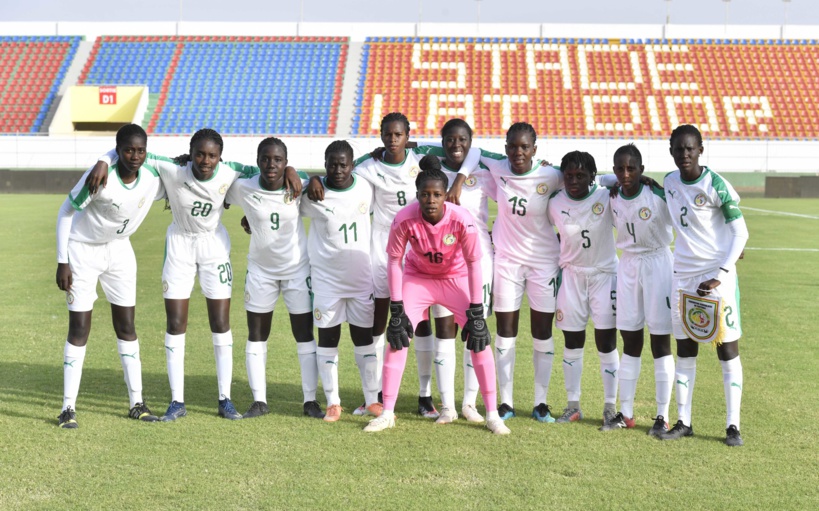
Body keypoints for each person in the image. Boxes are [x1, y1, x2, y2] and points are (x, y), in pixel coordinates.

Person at [86, 129, 302, 422]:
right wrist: (103, 158)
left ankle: (225, 399)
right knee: (175, 323)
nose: (205, 160)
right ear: (190, 153)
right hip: (180, 246)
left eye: (212, 155)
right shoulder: (173, 169)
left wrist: (291, 168)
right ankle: (177, 401)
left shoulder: (230, 172)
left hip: (213, 246)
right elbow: (133, 155)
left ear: (220, 157)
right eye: (200, 153)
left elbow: (268, 172)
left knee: (221, 322)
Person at [307, 112, 480, 420]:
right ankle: (373, 396)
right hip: (381, 254)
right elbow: (342, 168)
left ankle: (425, 396)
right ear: (382, 136)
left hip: (424, 252)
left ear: (406, 135)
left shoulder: (421, 158)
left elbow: (471, 151)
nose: (392, 139)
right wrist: (315, 177)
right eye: (387, 134)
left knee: (424, 324)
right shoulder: (369, 167)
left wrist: (456, 172)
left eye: (398, 134)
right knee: (381, 321)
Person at [362, 155, 510, 435]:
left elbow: (474, 263)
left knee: (479, 338)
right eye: (425, 194)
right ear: (416, 195)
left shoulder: (461, 219)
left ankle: (492, 413)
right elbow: (394, 262)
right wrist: (397, 306)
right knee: (398, 335)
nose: (431, 199)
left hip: (455, 280)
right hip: (418, 279)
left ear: (445, 196)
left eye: (437, 194)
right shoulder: (404, 218)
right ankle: (388, 412)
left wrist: (476, 309)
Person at [450, 122, 563, 423]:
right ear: (506, 148)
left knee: (542, 333)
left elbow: (585, 181)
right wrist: (460, 179)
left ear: (534, 150)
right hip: (507, 262)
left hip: (544, 263)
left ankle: (541, 403)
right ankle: (507, 402)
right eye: (512, 146)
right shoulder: (498, 168)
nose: (518, 152)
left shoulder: (551, 175)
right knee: (505, 333)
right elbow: (471, 150)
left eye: (524, 147)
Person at [55, 124, 164, 428]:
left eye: (140, 150)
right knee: (79, 328)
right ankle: (67, 408)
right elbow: (66, 212)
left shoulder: (152, 173)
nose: (135, 155)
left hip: (119, 251)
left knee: (127, 325)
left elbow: (184, 164)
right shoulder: (99, 176)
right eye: (128, 149)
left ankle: (137, 403)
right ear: (118, 151)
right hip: (83, 250)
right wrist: (62, 261)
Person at [659, 125, 748, 447]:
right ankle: (684, 421)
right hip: (682, 278)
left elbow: (741, 234)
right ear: (671, 151)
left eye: (690, 149)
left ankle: (732, 425)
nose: (684, 154)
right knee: (685, 349)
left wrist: (721, 273)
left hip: (715, 279)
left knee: (727, 350)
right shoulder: (669, 182)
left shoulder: (716, 184)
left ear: (700, 150)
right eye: (678, 149)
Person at [225, 137, 323, 419]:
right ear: (257, 161)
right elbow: (217, 171)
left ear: (286, 162)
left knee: (303, 334)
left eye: (278, 160)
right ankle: (259, 401)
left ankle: (310, 400)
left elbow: (321, 180)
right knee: (257, 335)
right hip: (260, 271)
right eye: (266, 159)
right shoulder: (244, 185)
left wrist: (308, 175)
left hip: (297, 270)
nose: (271, 164)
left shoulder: (299, 184)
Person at [300, 140, 381, 423]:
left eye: (343, 164)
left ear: (352, 164)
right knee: (328, 339)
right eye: (332, 164)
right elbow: (284, 192)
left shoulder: (365, 186)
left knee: (364, 340)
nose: (338, 169)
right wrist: (309, 178)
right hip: (326, 282)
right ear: (324, 165)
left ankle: (372, 399)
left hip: (360, 279)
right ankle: (333, 402)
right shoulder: (313, 194)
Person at [601, 144, 674, 435]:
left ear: (642, 170)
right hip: (628, 266)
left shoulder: (656, 194)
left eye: (632, 168)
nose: (625, 173)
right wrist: (613, 179)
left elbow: (686, 214)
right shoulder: (614, 193)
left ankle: (662, 415)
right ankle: (626, 412)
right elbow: (601, 179)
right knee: (630, 339)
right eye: (620, 168)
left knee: (660, 341)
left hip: (658, 263)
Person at [546, 151, 619, 426]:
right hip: (572, 278)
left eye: (581, 176)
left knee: (606, 342)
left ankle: (610, 408)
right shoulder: (554, 203)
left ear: (592, 177)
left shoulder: (605, 196)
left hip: (604, 276)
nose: (574, 181)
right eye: (569, 176)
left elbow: (619, 179)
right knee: (572, 342)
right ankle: (573, 405)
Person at [431, 118, 496, 423]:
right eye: (450, 140)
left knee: (476, 329)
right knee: (444, 330)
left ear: (470, 142)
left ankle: (470, 403)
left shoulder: (483, 172)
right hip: (444, 262)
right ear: (441, 141)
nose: (456, 145)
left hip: (479, 260)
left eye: (462, 140)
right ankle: (447, 406)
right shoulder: (432, 170)